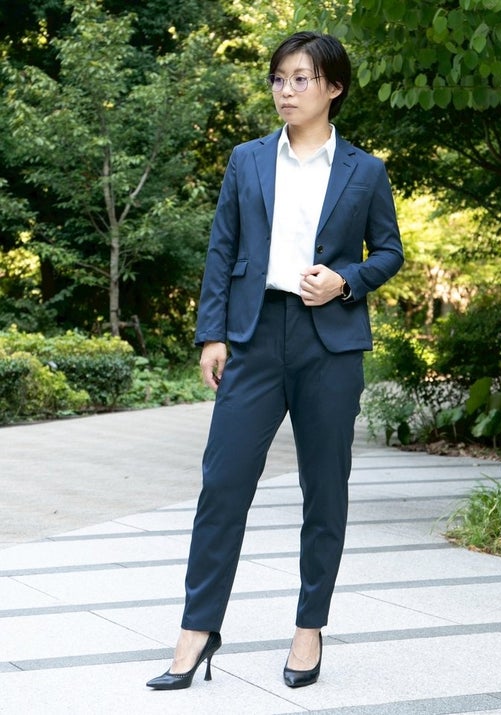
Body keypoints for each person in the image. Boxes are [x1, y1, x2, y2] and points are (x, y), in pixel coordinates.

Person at [147, 30, 403, 692]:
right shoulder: (248, 160)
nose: (286, 91)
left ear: (333, 88)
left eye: (301, 79)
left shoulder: (366, 170)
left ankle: (309, 626)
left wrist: (345, 280)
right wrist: (212, 334)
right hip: (255, 336)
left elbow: (389, 252)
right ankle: (198, 629)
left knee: (325, 488)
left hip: (330, 346)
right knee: (223, 482)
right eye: (279, 79)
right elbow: (222, 246)